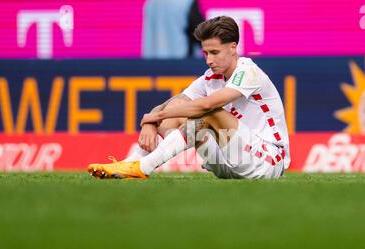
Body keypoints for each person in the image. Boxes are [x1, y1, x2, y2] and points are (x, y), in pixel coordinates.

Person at [88, 16, 290, 180]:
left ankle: (143, 167)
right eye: (205, 53)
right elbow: (173, 104)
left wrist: (156, 116)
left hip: (267, 161)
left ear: (233, 47)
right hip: (226, 162)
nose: (209, 60)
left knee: (209, 112)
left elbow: (208, 105)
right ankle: (129, 165)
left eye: (214, 52)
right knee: (179, 104)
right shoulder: (210, 78)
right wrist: (151, 120)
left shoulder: (249, 72)